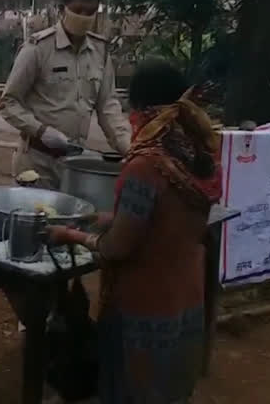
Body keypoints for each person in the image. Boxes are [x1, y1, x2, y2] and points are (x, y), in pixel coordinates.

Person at [46, 59, 222, 404]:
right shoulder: (197, 155)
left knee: (132, 391)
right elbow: (162, 220)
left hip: (144, 304)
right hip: (185, 299)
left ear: (142, 108)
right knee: (170, 389)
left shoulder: (146, 164)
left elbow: (117, 248)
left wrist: (70, 236)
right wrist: (103, 217)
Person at [0, 0, 131, 189]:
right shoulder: (38, 48)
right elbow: (8, 103)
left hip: (76, 163)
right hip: (37, 161)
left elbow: (108, 105)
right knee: (39, 218)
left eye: (91, 12)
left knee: (70, 219)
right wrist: (41, 131)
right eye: (78, 10)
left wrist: (128, 147)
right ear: (62, 9)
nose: (84, 17)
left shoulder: (99, 51)